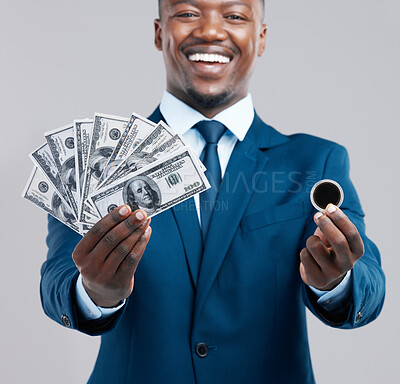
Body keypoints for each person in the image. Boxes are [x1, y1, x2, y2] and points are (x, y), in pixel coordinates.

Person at [40, 0, 385, 383]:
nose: (210, 31)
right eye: (187, 13)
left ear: (261, 37)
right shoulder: (96, 163)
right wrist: (95, 293)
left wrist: (337, 282)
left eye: (235, 15)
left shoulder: (315, 163)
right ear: (159, 32)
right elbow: (57, 278)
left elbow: (369, 281)